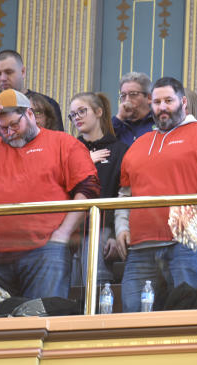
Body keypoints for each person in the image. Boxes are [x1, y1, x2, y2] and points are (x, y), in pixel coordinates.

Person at [0, 89, 98, 299]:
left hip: (46, 251)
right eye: (2, 128)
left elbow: (88, 189)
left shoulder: (64, 143)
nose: (9, 132)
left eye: (15, 125)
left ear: (30, 114)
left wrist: (63, 234)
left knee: (41, 319)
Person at [116, 77, 197, 312]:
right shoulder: (139, 143)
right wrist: (121, 227)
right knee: (133, 317)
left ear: (183, 102)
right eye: (157, 102)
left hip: (185, 244)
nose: (162, 107)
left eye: (168, 100)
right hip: (140, 245)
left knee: (187, 316)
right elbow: (125, 194)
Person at [69, 92, 129, 285]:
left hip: (101, 229)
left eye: (81, 111)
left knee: (96, 285)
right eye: (72, 115)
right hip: (70, 229)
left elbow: (123, 194)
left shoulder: (120, 150)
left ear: (98, 112)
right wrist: (85, 162)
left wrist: (113, 234)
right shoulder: (69, 148)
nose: (76, 117)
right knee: (69, 286)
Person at [0, 50, 63, 138]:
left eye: (9, 72)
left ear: (23, 72)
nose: (3, 78)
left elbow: (58, 144)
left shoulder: (48, 104)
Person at [112, 72, 156, 145]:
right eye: (123, 95)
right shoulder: (118, 124)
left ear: (149, 98)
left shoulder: (158, 122)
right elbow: (102, 143)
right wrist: (119, 117)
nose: (127, 100)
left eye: (133, 94)